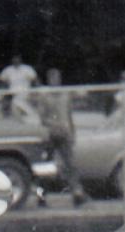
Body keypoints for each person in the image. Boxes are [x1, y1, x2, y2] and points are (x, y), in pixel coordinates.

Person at [34, 68, 87, 206]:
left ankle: (77, 194)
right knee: (46, 167)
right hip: (50, 135)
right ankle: (41, 196)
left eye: (57, 78)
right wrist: (54, 124)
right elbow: (42, 117)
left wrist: (72, 132)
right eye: (52, 78)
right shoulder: (44, 97)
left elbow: (69, 116)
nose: (55, 81)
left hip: (65, 133)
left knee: (71, 164)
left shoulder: (65, 96)